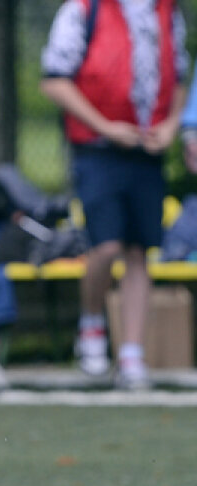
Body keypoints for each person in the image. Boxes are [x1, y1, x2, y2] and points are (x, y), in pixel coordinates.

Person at [41, 0, 189, 390]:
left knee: (139, 251)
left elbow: (179, 78)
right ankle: (92, 326)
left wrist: (171, 126)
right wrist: (105, 127)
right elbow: (54, 80)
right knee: (105, 247)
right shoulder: (82, 10)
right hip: (97, 150)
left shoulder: (167, 10)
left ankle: (131, 354)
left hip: (147, 152)